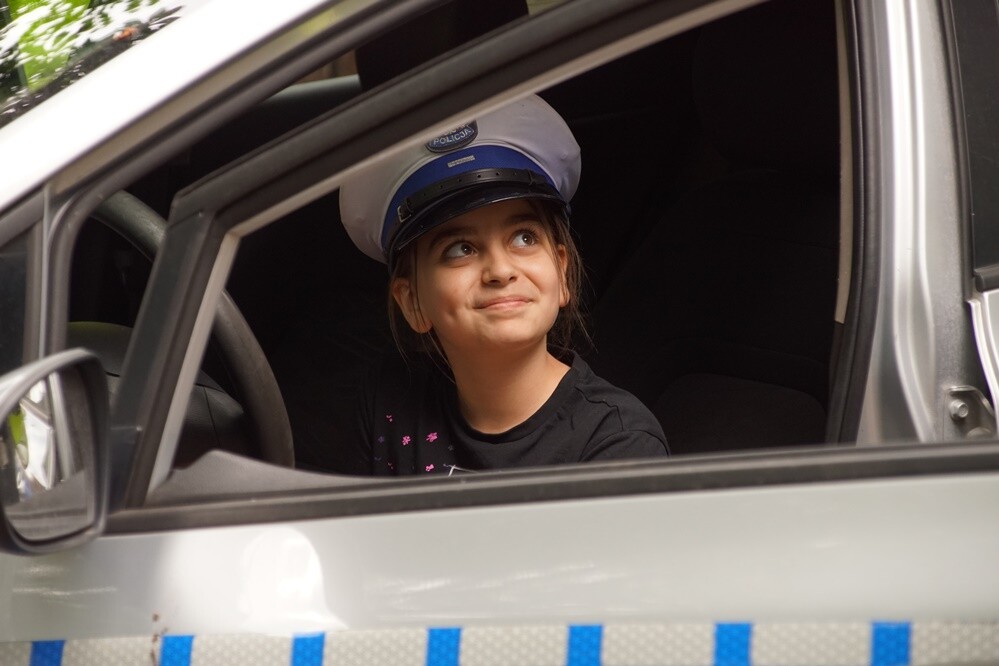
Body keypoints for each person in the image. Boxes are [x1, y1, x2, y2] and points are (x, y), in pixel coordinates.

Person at [338, 95, 668, 475]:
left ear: (562, 273)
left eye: (524, 238)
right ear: (412, 302)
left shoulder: (618, 441)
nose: (500, 269)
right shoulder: (389, 402)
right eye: (460, 249)